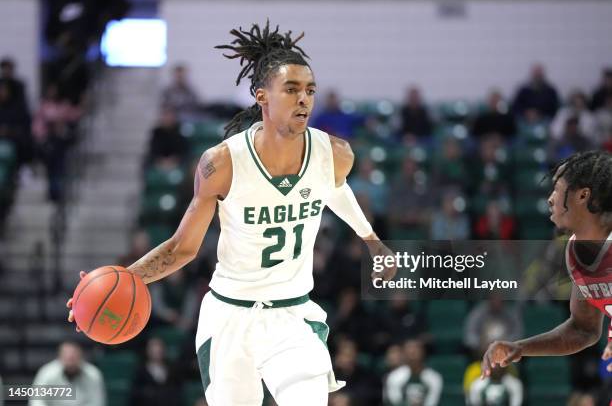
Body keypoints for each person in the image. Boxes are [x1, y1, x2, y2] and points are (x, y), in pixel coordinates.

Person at [67, 21, 395, 406]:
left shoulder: (335, 154)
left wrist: (371, 239)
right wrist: (123, 279)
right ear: (262, 96)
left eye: (309, 90)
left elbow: (336, 190)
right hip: (229, 317)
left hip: (291, 316)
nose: (304, 99)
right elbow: (182, 248)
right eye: (291, 89)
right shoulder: (222, 163)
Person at [481, 151, 612, 379]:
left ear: (583, 196)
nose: (550, 199)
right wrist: (521, 347)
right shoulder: (575, 253)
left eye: (558, 190)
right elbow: (583, 329)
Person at [30, 341, 105, 406]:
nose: (70, 361)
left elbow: (97, 402)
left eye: (73, 357)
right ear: (60, 357)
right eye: (67, 357)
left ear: (81, 356)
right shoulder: (47, 373)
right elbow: (36, 401)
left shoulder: (93, 374)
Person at [383, 338, 443, 406]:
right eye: (409, 351)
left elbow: (432, 402)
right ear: (404, 354)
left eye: (416, 350)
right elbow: (395, 402)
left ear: (423, 352)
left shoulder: (434, 377)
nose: (412, 354)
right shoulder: (394, 376)